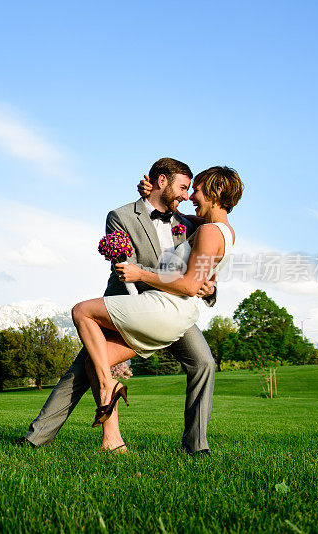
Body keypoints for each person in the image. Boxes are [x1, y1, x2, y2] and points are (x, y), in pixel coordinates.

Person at [18, 158, 222, 455]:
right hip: (133, 304)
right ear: (161, 181)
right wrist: (177, 281)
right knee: (83, 369)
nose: (185, 195)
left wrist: (209, 288)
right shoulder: (121, 216)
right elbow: (124, 267)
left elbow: (216, 234)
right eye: (181, 187)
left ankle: (196, 446)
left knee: (204, 363)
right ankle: (35, 438)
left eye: (190, 190)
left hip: (174, 308)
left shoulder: (189, 222)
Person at [74, 164, 242, 452]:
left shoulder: (208, 233)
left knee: (81, 311)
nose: (191, 196)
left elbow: (190, 285)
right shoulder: (223, 232)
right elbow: (202, 274)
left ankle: (108, 386)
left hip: (164, 308)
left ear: (215, 193)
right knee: (94, 360)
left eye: (198, 190)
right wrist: (151, 193)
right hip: (177, 313)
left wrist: (141, 274)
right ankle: (112, 441)